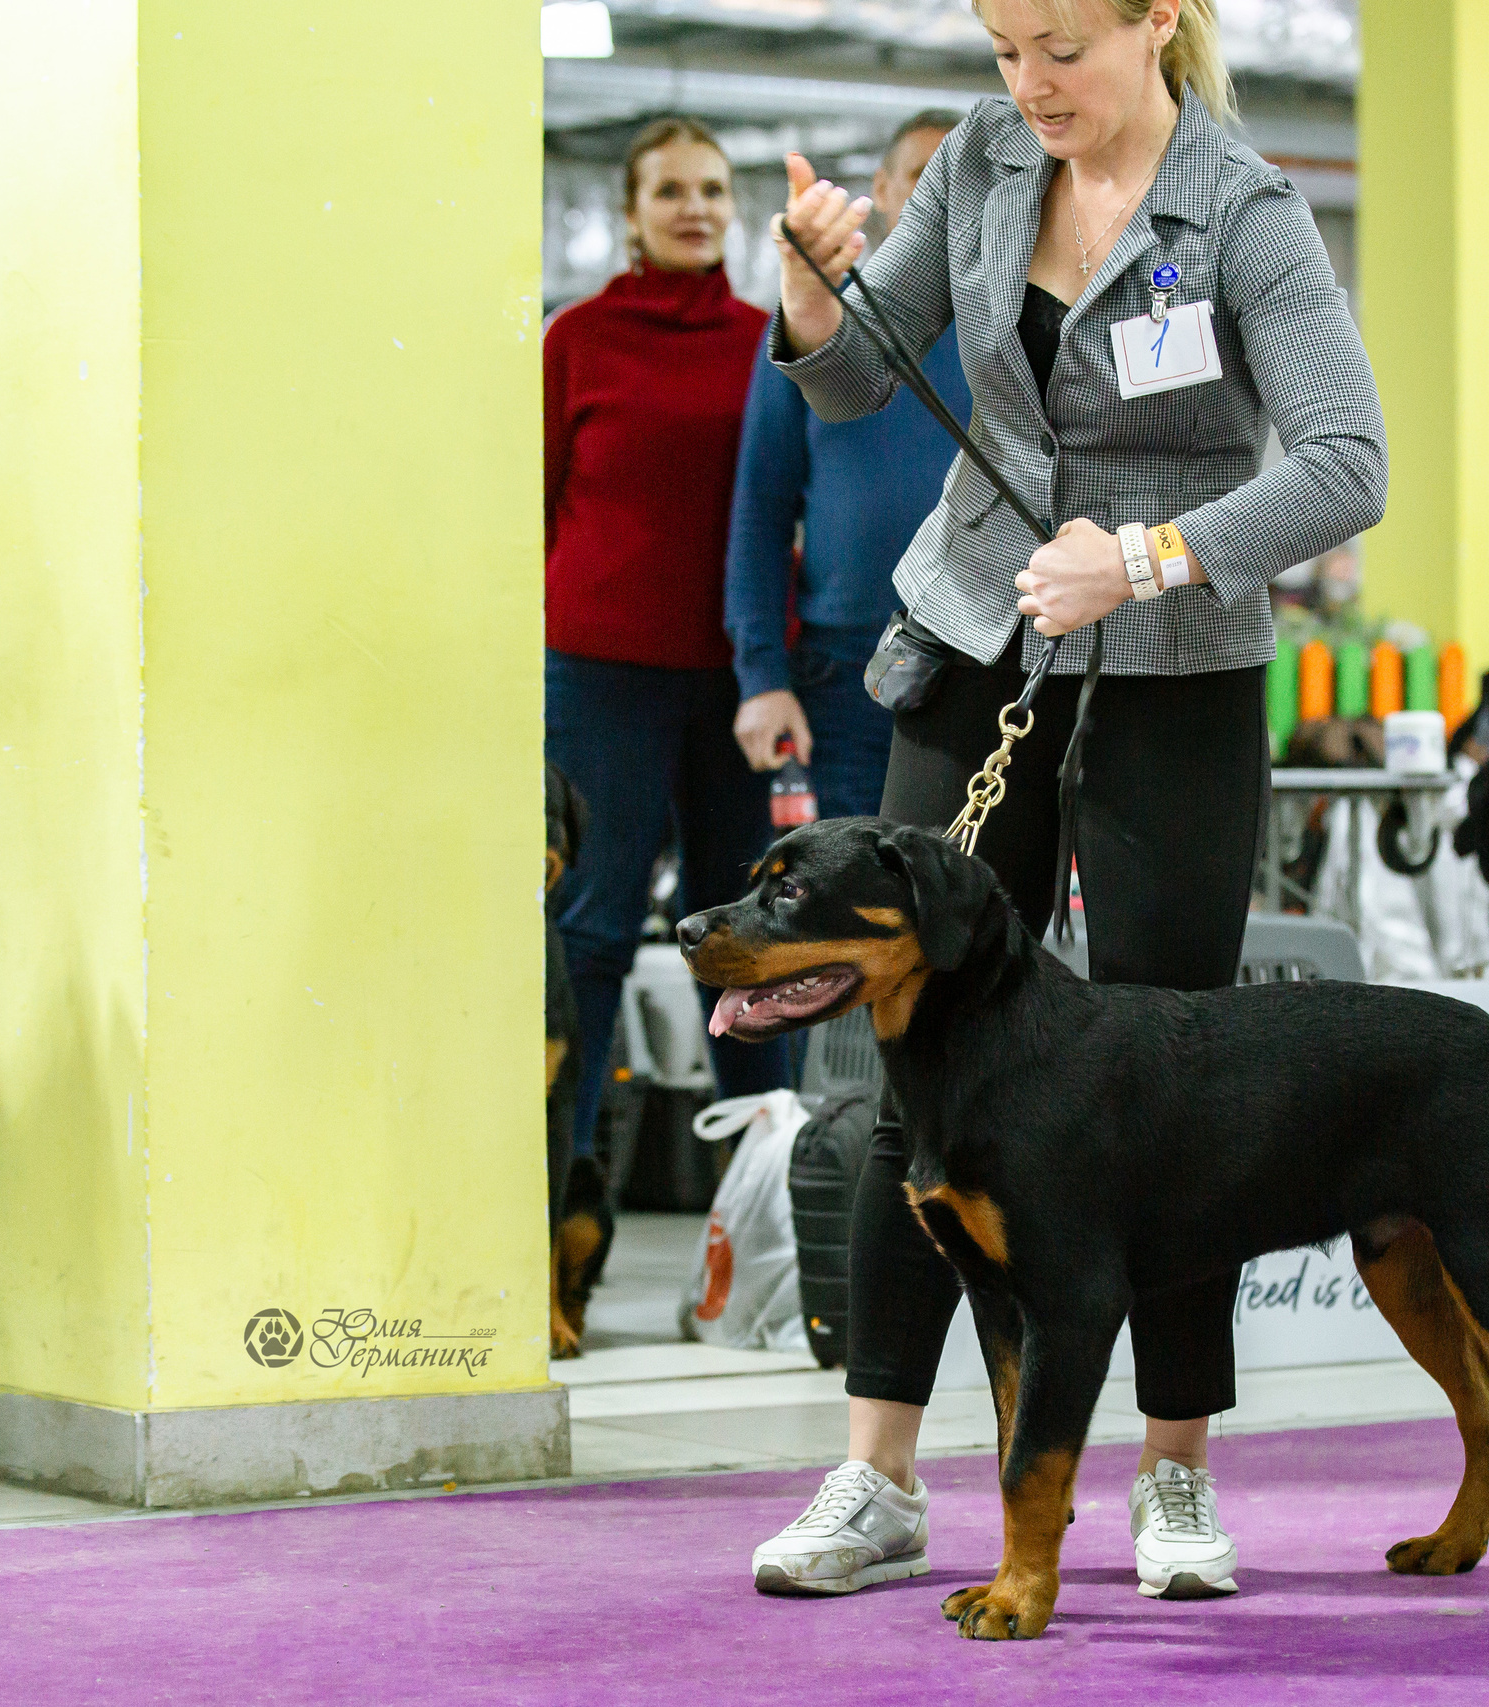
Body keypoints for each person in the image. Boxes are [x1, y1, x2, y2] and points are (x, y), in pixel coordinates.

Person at [746, 0, 1384, 1603]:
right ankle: (880, 1474)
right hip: (978, 628)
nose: (1028, 83)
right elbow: (857, 382)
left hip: (1176, 661)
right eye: (1003, 47)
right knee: (915, 1063)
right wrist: (810, 301)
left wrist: (1151, 556)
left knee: (1175, 1076)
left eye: (1060, 47)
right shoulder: (980, 159)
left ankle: (1174, 1468)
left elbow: (1347, 462)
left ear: (1156, 22)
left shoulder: (1243, 210)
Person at [542, 117, 792, 1168]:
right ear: (631, 214)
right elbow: (534, 503)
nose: (696, 208)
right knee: (592, 931)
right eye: (671, 191)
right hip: (601, 675)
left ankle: (765, 1207)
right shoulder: (576, 340)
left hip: (741, 679)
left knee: (750, 940)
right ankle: (554, 1200)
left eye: (712, 190)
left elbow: (789, 502)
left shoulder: (769, 341)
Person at [725, 112, 973, 820]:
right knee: (853, 875)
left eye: (970, 178)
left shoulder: (1019, 325)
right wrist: (762, 676)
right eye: (925, 175)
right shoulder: (814, 324)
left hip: (991, 657)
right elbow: (761, 511)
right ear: (883, 189)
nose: (948, 192)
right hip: (847, 669)